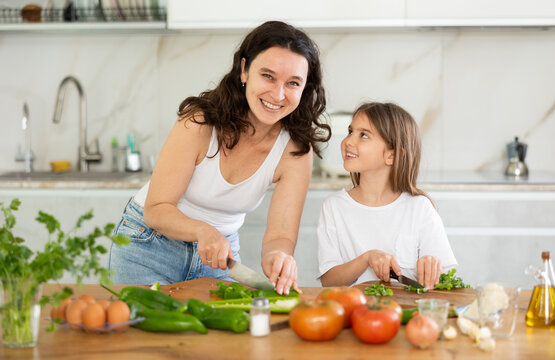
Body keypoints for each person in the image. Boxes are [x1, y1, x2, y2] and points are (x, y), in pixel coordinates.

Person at [109, 21, 330, 295]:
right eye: (268, 76)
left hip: (217, 257)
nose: (278, 94)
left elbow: (280, 236)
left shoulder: (296, 151)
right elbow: (156, 208)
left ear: (305, 87)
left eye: (293, 83)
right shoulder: (200, 122)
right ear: (244, 70)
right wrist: (204, 231)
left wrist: (279, 257)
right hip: (148, 245)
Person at [317, 102, 457, 289]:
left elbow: (444, 280)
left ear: (392, 155)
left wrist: (431, 264)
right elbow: (329, 281)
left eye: (364, 135)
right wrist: (367, 258)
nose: (349, 141)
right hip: (353, 313)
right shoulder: (334, 207)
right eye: (351, 131)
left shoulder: (419, 208)